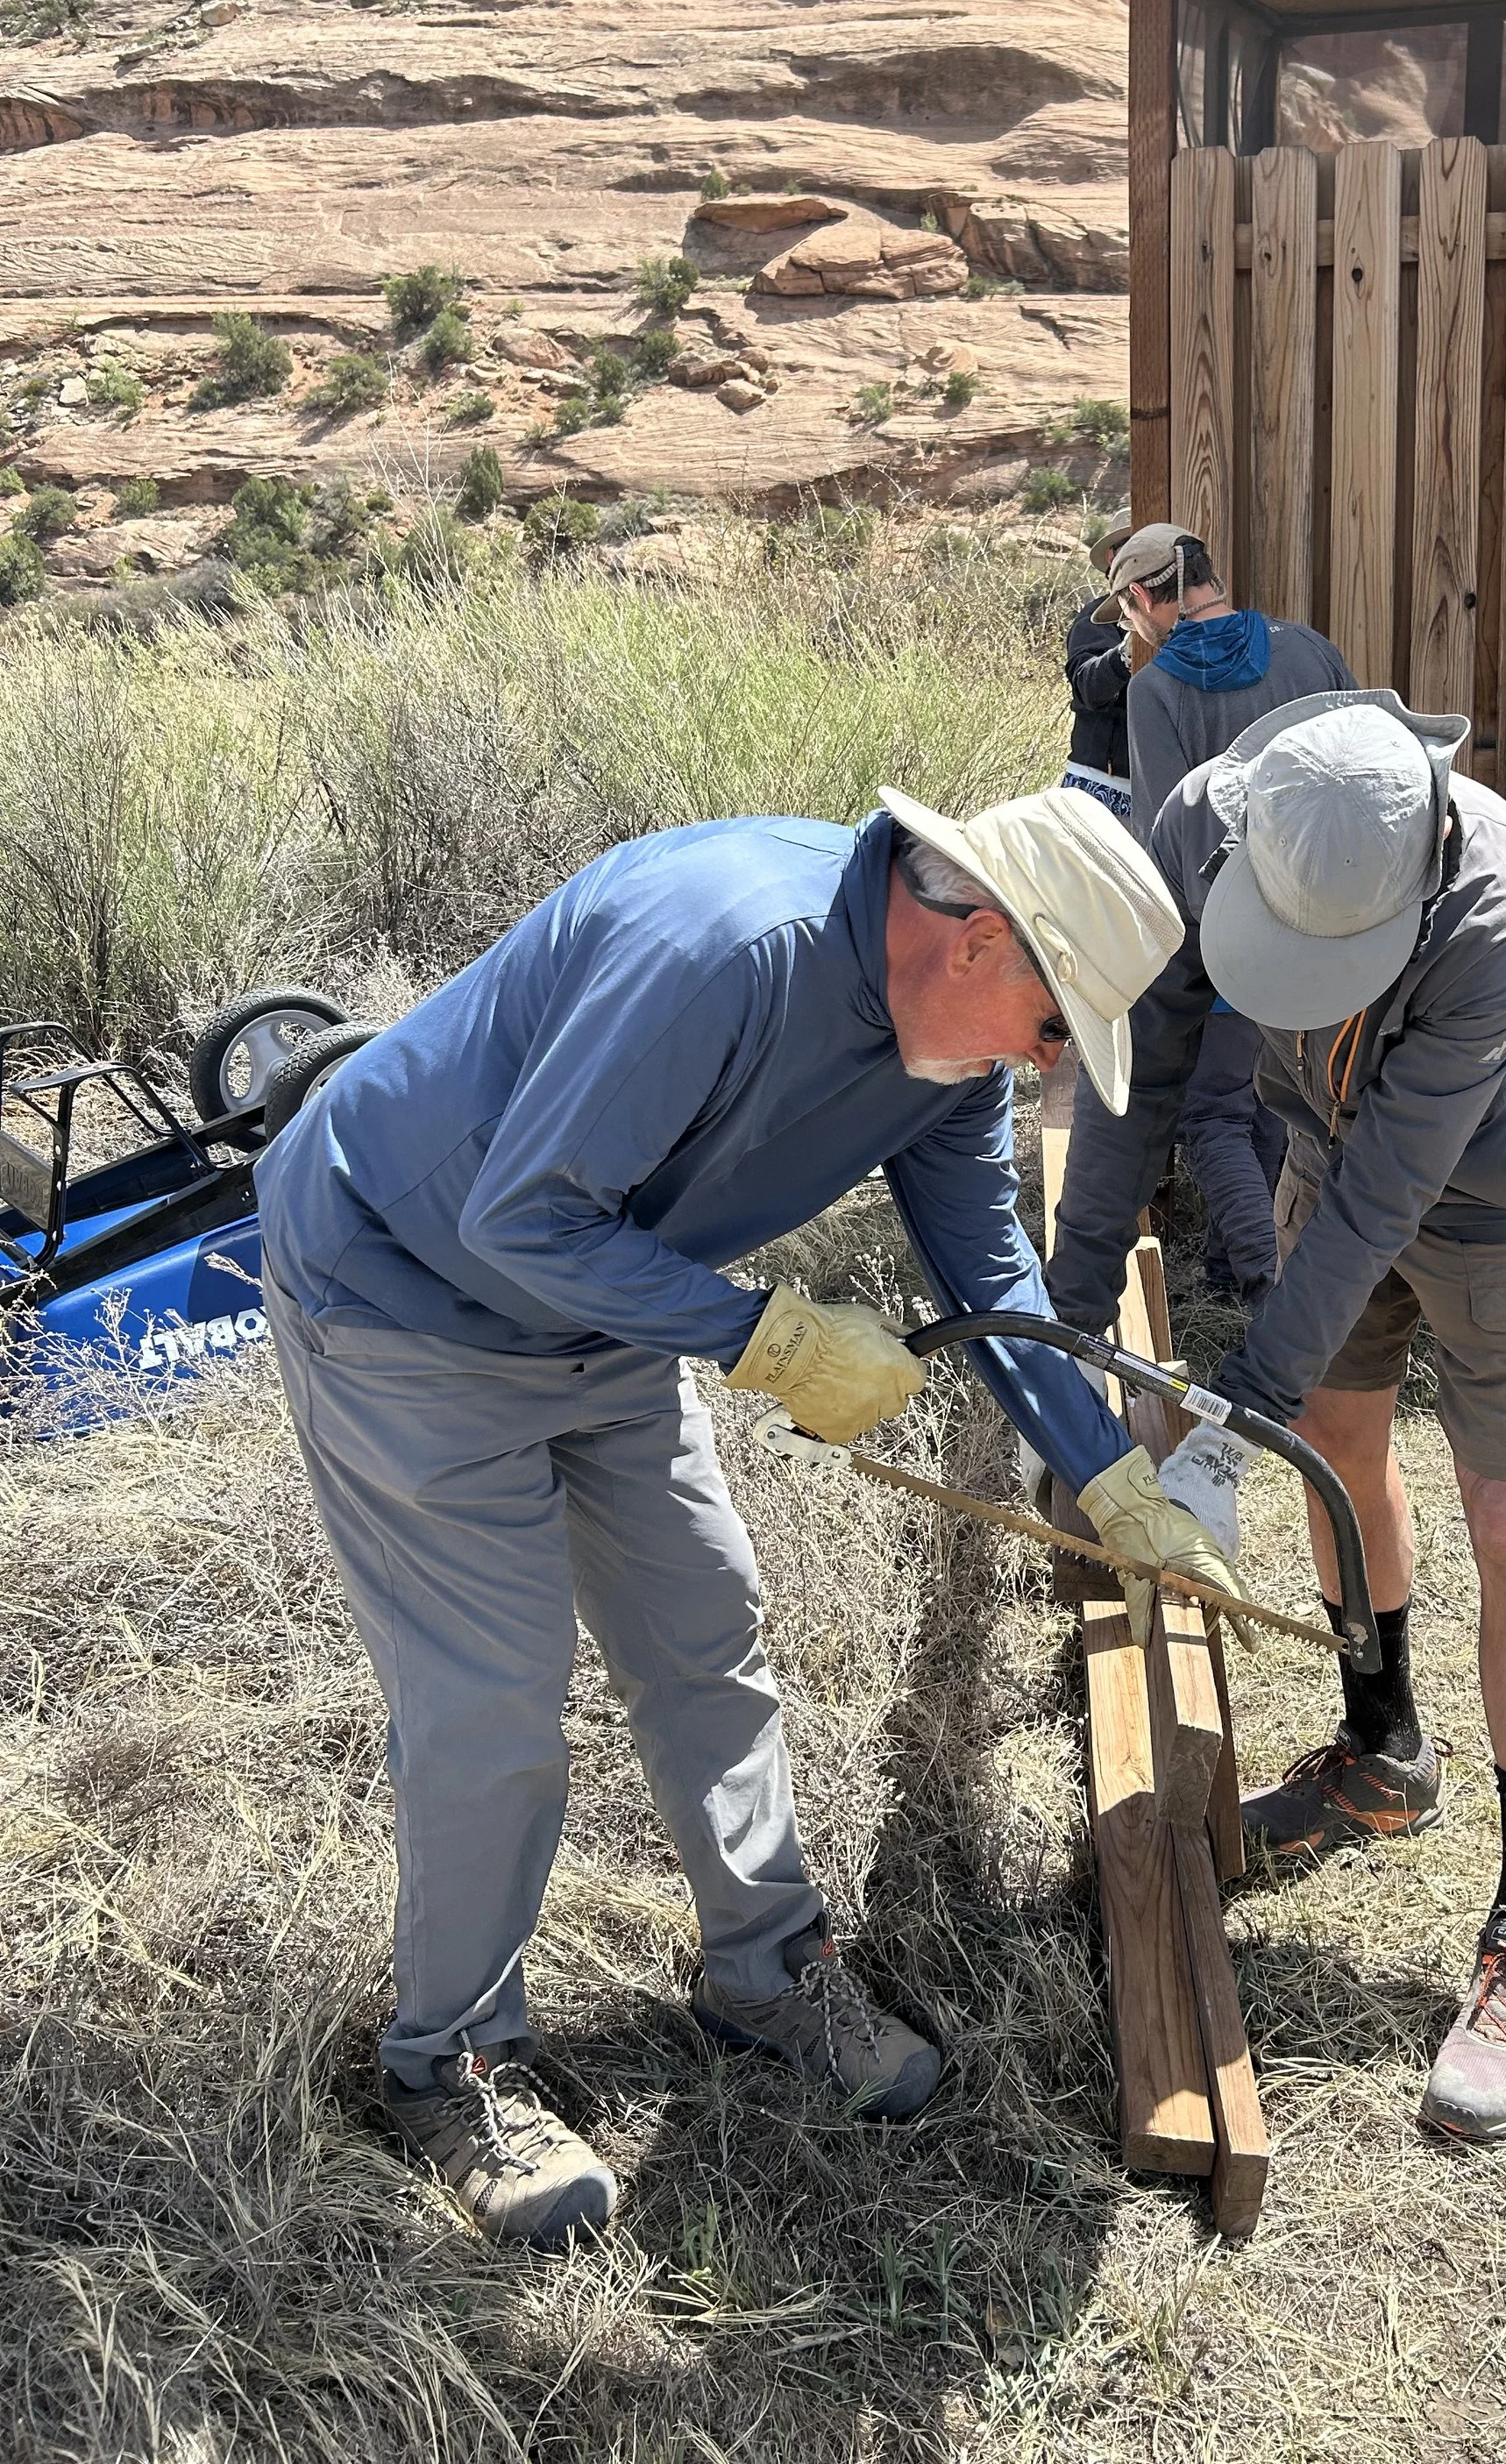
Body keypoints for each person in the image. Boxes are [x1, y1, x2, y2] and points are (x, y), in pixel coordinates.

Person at [254, 784, 1230, 2247]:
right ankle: (446, 2059)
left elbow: (987, 1268)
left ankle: (767, 1969)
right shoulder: (726, 942)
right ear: (976, 942)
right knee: (494, 1706)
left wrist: (1104, 1472)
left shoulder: (943, 1053)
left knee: (706, 1626)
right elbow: (516, 1215)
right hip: (409, 1303)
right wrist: (765, 1337)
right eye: (1050, 1030)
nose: (1045, 1072)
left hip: (599, 1307)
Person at [1048, 690, 1506, 2143]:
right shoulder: (1206, 820)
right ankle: (1382, 1748)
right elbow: (1143, 1070)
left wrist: (1233, 1425)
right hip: (1330, 1144)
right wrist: (1063, 1314)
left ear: (1420, 861)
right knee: (1341, 1447)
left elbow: (1383, 1205)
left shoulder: (1498, 912)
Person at [1103, 520, 1355, 1304]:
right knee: (1281, 1101)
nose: (1131, 628)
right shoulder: (1307, 650)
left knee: (1213, 1115)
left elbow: (1165, 833)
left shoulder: (1156, 691)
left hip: (1225, 937)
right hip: (1329, 923)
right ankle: (1232, 1263)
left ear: (1144, 595)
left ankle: (1265, 1279)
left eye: (1125, 612)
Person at [1061, 521, 1137, 823]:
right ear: (1112, 558)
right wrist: (1127, 654)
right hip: (1102, 784)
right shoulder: (1096, 620)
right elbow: (1088, 686)